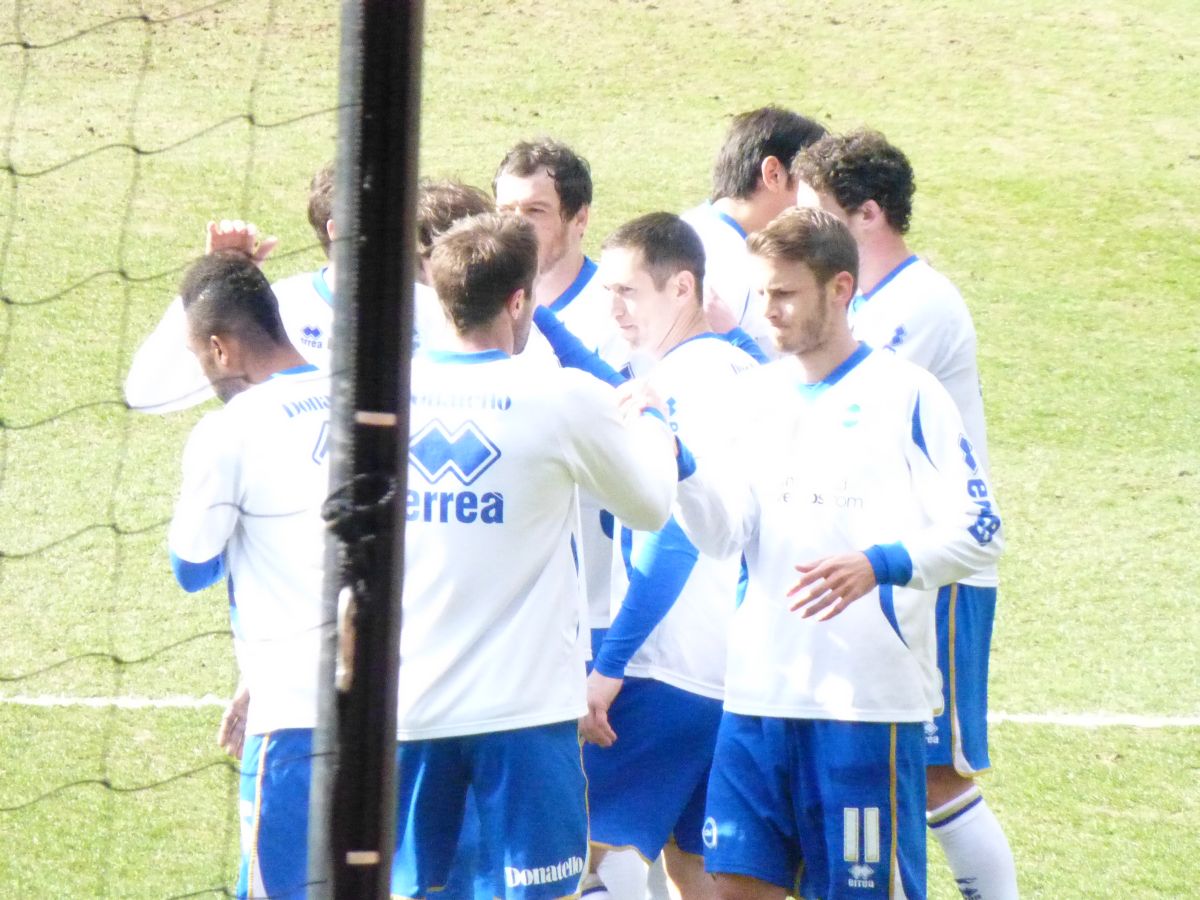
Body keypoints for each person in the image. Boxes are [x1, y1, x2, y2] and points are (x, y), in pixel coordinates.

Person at [669, 207, 1004, 900]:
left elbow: (981, 529)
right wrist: (678, 467)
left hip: (866, 708)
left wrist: (878, 563)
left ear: (841, 288)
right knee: (730, 889)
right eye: (763, 294)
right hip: (757, 698)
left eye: (786, 294)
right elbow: (724, 534)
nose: (770, 313)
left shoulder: (909, 395)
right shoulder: (752, 398)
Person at [393, 213, 681, 900]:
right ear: (519, 300)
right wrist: (655, 422)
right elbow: (649, 507)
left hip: (406, 713)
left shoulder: (380, 399)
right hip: (524, 720)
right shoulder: (563, 400)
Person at [793, 131, 1018, 899]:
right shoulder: (862, 299)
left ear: (866, 216)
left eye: (815, 213)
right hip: (881, 567)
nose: (800, 228)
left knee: (934, 775)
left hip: (939, 569)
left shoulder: (918, 306)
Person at [581, 213, 758, 900]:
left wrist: (610, 666)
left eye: (627, 291)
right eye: (606, 292)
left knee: (592, 856)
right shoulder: (741, 367)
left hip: (666, 662)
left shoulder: (680, 387)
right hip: (731, 670)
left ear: (681, 287)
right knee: (698, 874)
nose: (613, 308)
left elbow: (677, 536)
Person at [167, 251, 331, 899]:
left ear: (220, 347)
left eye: (199, 356)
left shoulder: (229, 431)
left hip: (293, 717)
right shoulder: (370, 403)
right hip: (404, 708)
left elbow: (192, 566)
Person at [124, 162, 444, 413]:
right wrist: (211, 286)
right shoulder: (281, 307)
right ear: (338, 230)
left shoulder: (438, 312)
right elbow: (148, 395)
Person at [681, 106, 827, 356]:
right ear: (773, 174)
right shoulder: (731, 265)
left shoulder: (687, 227)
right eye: (814, 182)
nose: (822, 198)